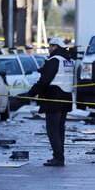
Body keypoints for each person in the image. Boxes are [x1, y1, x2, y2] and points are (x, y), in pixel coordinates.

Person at [26, 37, 75, 167]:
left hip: (53, 99)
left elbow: (45, 81)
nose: (49, 49)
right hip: (66, 99)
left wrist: (31, 93)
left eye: (50, 46)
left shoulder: (54, 60)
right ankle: (59, 156)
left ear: (55, 47)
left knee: (52, 129)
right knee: (60, 129)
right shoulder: (69, 60)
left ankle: (58, 158)